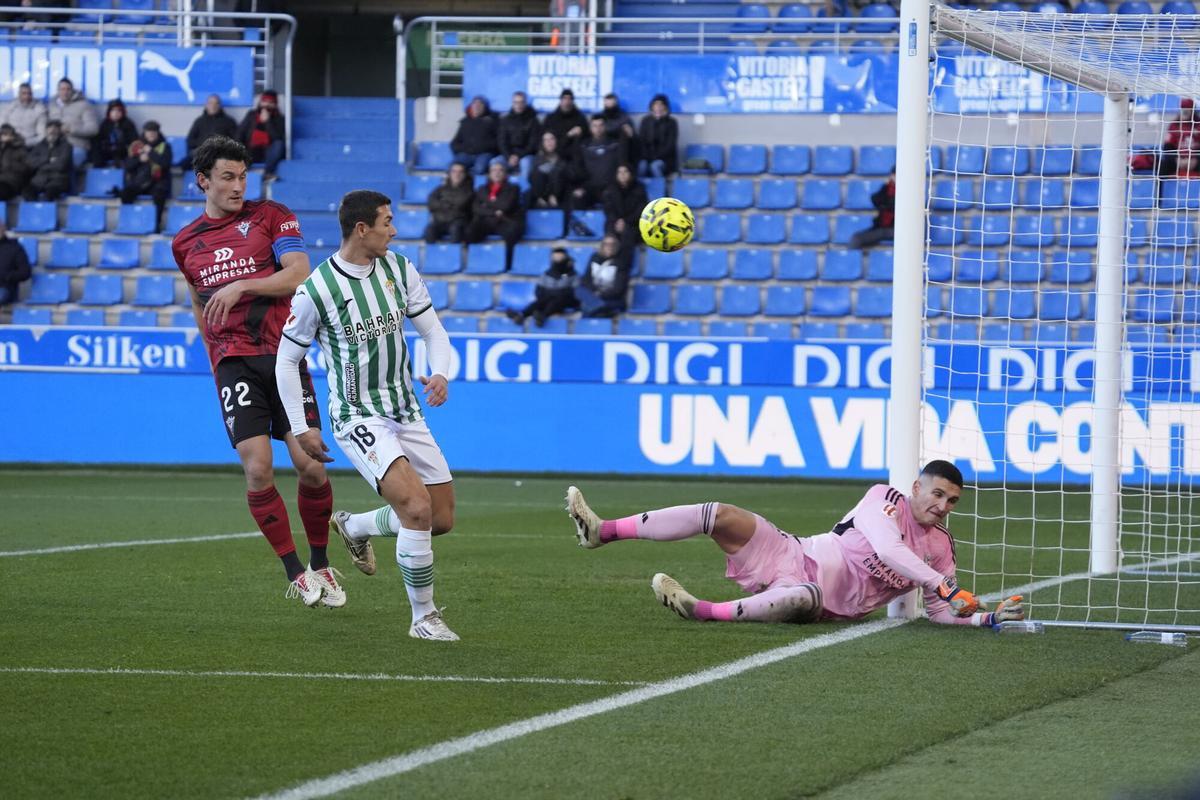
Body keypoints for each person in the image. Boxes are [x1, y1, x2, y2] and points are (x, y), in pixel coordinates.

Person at [276, 189, 460, 642]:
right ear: (362, 229)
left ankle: (354, 525)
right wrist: (301, 428)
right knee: (415, 508)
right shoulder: (317, 290)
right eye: (387, 222)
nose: (393, 230)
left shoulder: (399, 269)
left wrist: (441, 373)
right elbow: (286, 360)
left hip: (405, 408)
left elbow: (433, 330)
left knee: (439, 519)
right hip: (358, 416)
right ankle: (424, 617)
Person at [171, 135, 341, 608]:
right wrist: (213, 356)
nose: (238, 185)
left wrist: (242, 285)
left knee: (310, 466)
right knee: (259, 470)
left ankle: (321, 561)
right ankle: (296, 573)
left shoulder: (272, 215)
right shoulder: (185, 243)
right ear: (202, 181)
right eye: (227, 177)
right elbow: (198, 301)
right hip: (234, 363)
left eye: (243, 176)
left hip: (284, 357)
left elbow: (299, 272)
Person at [566, 460, 1026, 628]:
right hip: (792, 551)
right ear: (916, 488)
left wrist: (984, 616)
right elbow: (889, 551)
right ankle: (601, 531)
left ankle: (700, 609)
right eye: (938, 494)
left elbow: (942, 611)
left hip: (823, 602)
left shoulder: (941, 548)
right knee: (719, 513)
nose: (944, 505)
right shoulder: (883, 498)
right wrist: (945, 587)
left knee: (801, 596)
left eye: (953, 500)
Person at [464, 158, 525, 270]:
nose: (497, 173)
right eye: (494, 170)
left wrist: (486, 204)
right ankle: (475, 263)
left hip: (505, 221)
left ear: (505, 173)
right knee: (470, 231)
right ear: (489, 173)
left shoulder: (513, 188)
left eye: (500, 170)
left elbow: (506, 206)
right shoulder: (482, 189)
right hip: (487, 221)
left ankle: (507, 265)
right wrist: (493, 211)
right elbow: (476, 208)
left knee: (512, 233)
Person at [120, 121, 172, 232]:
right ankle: (128, 223)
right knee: (126, 193)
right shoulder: (136, 146)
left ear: (158, 133)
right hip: (140, 182)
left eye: (153, 132)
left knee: (159, 195)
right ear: (144, 133)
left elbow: (165, 163)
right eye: (148, 132)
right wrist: (139, 160)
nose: (151, 134)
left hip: (158, 182)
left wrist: (151, 153)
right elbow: (127, 165)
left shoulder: (165, 146)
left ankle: (155, 225)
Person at [506, 246, 578, 327]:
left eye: (560, 256)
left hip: (565, 300)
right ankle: (521, 315)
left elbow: (575, 291)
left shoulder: (572, 274)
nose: (557, 258)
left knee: (557, 299)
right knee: (540, 301)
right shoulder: (547, 273)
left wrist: (556, 292)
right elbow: (538, 290)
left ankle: (543, 315)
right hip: (548, 298)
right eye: (555, 256)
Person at [571, 115, 628, 213]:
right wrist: (579, 187)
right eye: (594, 126)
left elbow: (627, 158)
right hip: (590, 187)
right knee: (576, 197)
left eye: (601, 125)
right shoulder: (584, 145)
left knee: (613, 198)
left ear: (605, 126)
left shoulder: (615, 144)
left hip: (610, 186)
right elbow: (577, 167)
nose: (598, 129)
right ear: (590, 128)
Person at [575, 234, 631, 319]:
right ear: (602, 245)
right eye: (606, 244)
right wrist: (594, 292)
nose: (609, 247)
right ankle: (600, 307)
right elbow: (586, 279)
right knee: (578, 290)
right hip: (593, 295)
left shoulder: (620, 262)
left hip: (611, 298)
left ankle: (598, 309)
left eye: (613, 244)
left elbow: (618, 289)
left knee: (586, 307)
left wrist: (600, 294)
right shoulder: (594, 257)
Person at [47, 78, 98, 168]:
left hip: (76, 146)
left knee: (65, 164)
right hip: (54, 145)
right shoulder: (52, 106)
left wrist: (71, 129)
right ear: (58, 91)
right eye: (62, 89)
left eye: (68, 89)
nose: (65, 92)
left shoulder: (84, 105)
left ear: (72, 91)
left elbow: (93, 129)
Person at [236, 89, 286, 179]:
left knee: (279, 144)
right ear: (260, 102)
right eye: (264, 101)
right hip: (250, 150)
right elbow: (240, 132)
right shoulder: (251, 115)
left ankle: (267, 173)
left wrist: (268, 122)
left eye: (270, 102)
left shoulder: (280, 119)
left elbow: (277, 137)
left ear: (275, 104)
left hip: (268, 152)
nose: (267, 105)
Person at [183, 93, 237, 171]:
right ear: (206, 105)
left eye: (216, 103)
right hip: (202, 152)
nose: (213, 106)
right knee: (186, 163)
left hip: (220, 154)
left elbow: (235, 141)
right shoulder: (199, 121)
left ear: (220, 105)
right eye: (210, 103)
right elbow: (190, 140)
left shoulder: (229, 122)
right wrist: (203, 143)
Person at [602, 163, 648, 252]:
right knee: (610, 233)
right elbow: (608, 209)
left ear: (631, 173)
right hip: (614, 222)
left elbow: (641, 210)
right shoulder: (610, 189)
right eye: (619, 172)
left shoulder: (639, 189)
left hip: (634, 224)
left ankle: (623, 261)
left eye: (625, 171)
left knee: (628, 233)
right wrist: (617, 221)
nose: (622, 174)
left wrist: (625, 221)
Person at [423, 162, 473, 244]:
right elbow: (431, 203)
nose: (457, 174)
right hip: (440, 220)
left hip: (457, 221)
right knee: (429, 230)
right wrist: (448, 205)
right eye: (454, 171)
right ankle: (433, 255)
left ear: (465, 174)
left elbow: (460, 204)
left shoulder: (469, 190)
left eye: (460, 172)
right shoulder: (440, 189)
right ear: (449, 174)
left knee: (456, 230)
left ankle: (454, 255)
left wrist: (442, 203)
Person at [497, 90, 540, 182]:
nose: (519, 105)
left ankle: (524, 192)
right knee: (494, 162)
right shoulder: (505, 120)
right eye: (516, 102)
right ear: (512, 103)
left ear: (525, 103)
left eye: (521, 102)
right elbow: (502, 141)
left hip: (526, 155)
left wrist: (518, 156)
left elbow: (533, 144)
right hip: (509, 155)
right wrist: (509, 156)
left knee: (526, 163)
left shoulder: (533, 120)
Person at [450, 95, 499, 176]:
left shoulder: (493, 121)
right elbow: (454, 142)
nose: (477, 107)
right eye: (475, 104)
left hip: (484, 154)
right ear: (471, 106)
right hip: (466, 154)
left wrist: (484, 147)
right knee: (453, 166)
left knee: (480, 168)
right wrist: (463, 149)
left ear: (485, 107)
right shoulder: (465, 122)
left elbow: (498, 141)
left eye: (480, 105)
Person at [23, 119, 71, 201]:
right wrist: (47, 159)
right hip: (39, 180)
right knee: (26, 192)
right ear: (46, 130)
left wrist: (41, 165)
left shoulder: (66, 146)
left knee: (49, 195)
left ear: (59, 131)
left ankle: (46, 212)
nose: (52, 131)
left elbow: (61, 165)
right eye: (49, 128)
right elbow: (30, 162)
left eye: (55, 129)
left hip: (58, 180)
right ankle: (35, 213)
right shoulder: (40, 145)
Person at [848, 169, 895, 249]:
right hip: (881, 229)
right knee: (856, 239)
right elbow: (875, 199)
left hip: (896, 230)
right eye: (893, 175)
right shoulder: (887, 188)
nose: (894, 177)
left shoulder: (907, 192)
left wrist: (886, 203)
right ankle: (853, 260)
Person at [526, 130, 571, 211]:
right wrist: (542, 196)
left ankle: (553, 198)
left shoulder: (563, 157)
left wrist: (553, 195)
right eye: (546, 140)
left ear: (556, 141)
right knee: (537, 174)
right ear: (543, 143)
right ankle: (541, 199)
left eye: (551, 139)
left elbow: (564, 177)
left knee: (557, 172)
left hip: (559, 193)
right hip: (541, 193)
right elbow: (532, 178)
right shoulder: (537, 159)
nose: (549, 142)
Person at [637, 94, 678, 178]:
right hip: (647, 157)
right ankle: (640, 190)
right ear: (652, 106)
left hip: (665, 159)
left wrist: (656, 157)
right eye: (656, 104)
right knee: (642, 166)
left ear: (665, 107)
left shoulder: (671, 122)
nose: (658, 107)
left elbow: (670, 145)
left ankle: (660, 190)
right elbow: (641, 141)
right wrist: (647, 156)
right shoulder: (645, 121)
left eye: (661, 104)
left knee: (655, 166)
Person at [91, 98, 137, 168]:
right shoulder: (105, 123)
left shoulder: (128, 124)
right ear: (109, 112)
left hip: (122, 152)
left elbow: (134, 141)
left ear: (123, 112)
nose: (116, 113)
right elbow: (99, 139)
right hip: (107, 151)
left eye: (119, 111)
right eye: (113, 110)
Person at [542, 88, 588, 158]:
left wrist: (582, 132)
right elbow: (545, 139)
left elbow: (587, 137)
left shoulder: (580, 118)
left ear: (572, 101)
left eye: (569, 99)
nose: (567, 102)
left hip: (575, 155)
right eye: (564, 99)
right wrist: (569, 135)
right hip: (556, 154)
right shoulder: (550, 119)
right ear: (560, 100)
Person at [0, 220, 31, 306]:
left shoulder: (15, 248)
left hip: (5, 288)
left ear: (3, 229)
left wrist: (6, 276)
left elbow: (25, 273)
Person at [0, 124, 29, 200]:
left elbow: (26, 167)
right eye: (3, 134)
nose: (5, 136)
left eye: (7, 134)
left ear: (13, 135)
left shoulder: (20, 148)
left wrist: (8, 166)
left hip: (12, 182)